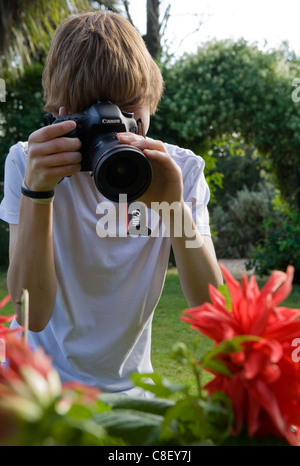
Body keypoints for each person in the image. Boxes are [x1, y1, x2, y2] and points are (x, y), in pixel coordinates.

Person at [0, 11, 222, 396]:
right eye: (94, 114)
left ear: (151, 99)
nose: (114, 127)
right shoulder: (30, 162)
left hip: (133, 387)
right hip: (42, 386)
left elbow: (214, 312)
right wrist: (38, 190)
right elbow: (30, 315)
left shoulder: (179, 170)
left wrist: (172, 206)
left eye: (128, 110)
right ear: (61, 113)